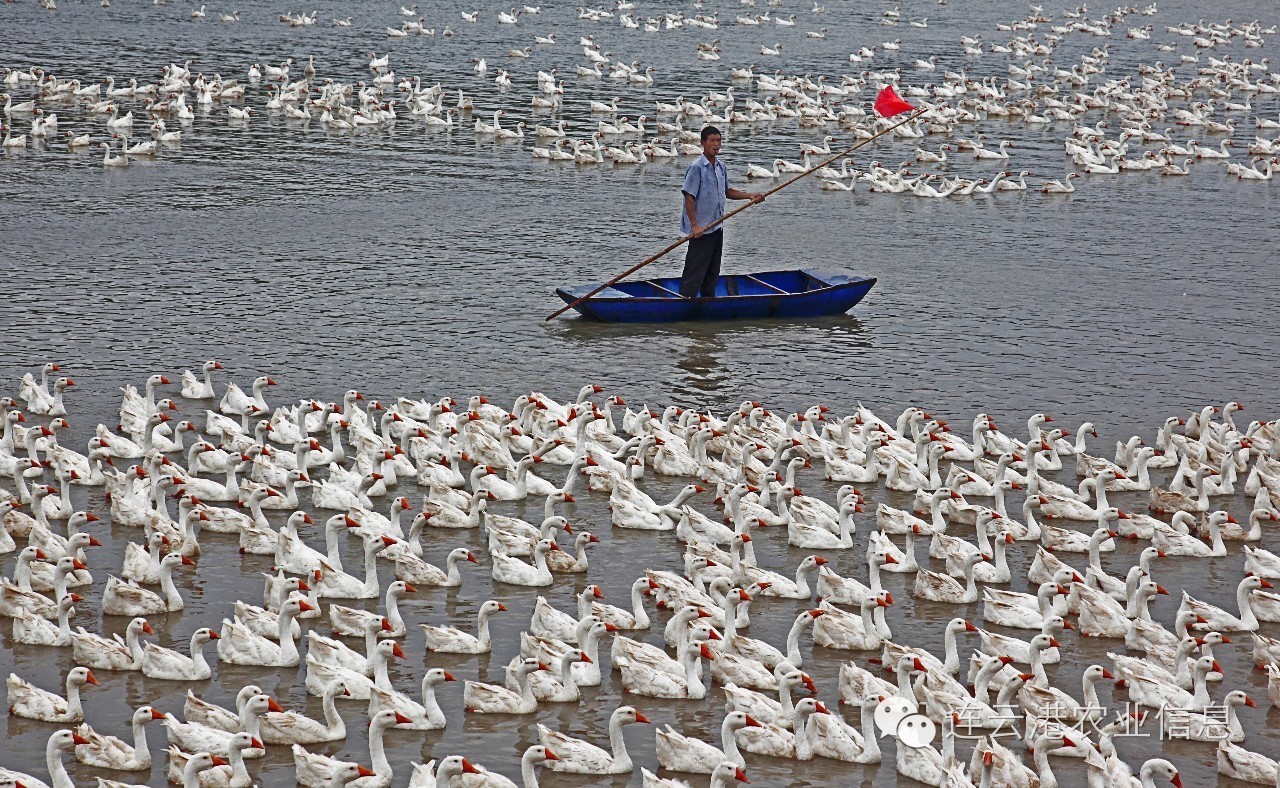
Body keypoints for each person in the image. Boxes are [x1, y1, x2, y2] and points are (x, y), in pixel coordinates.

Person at [679, 126, 764, 298]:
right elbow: (689, 197)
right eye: (712, 140)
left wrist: (749, 196)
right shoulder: (697, 167)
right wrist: (694, 226)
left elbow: (727, 192)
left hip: (716, 227)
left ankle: (708, 302)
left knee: (712, 272)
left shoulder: (720, 167)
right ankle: (684, 304)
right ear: (703, 143)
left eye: (718, 140)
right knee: (694, 272)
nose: (716, 144)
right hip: (701, 231)